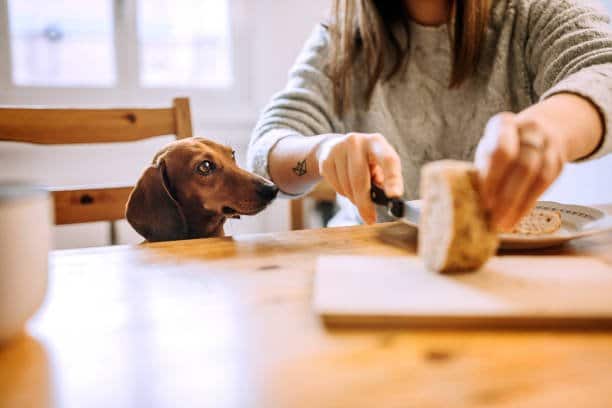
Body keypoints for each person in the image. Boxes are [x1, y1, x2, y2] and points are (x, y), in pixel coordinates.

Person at [247, 0, 612, 230]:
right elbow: (267, 153)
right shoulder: (340, 38)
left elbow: (601, 66)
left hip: (503, 256)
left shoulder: (532, 13)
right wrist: (321, 153)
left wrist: (550, 128)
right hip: (371, 257)